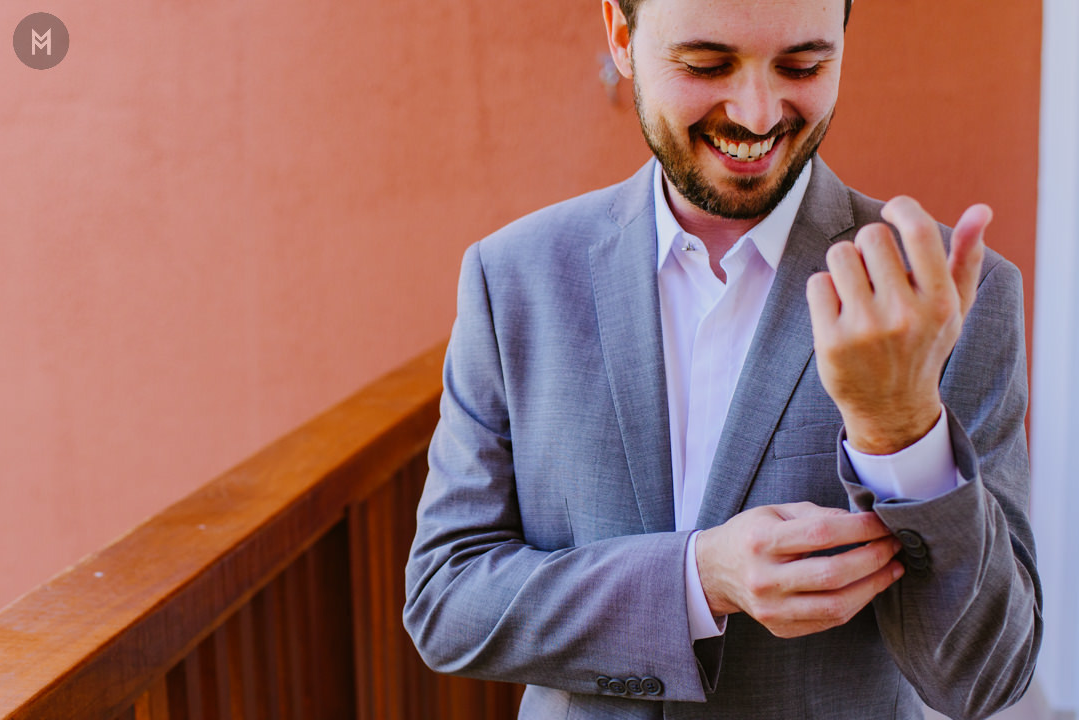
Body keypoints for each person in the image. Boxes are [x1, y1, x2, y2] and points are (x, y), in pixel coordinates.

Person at [403, 0, 1042, 717]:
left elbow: (987, 677)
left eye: (804, 64)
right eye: (706, 64)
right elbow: (445, 601)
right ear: (621, 34)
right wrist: (696, 581)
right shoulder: (512, 278)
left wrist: (903, 433)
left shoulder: (957, 298)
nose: (758, 113)